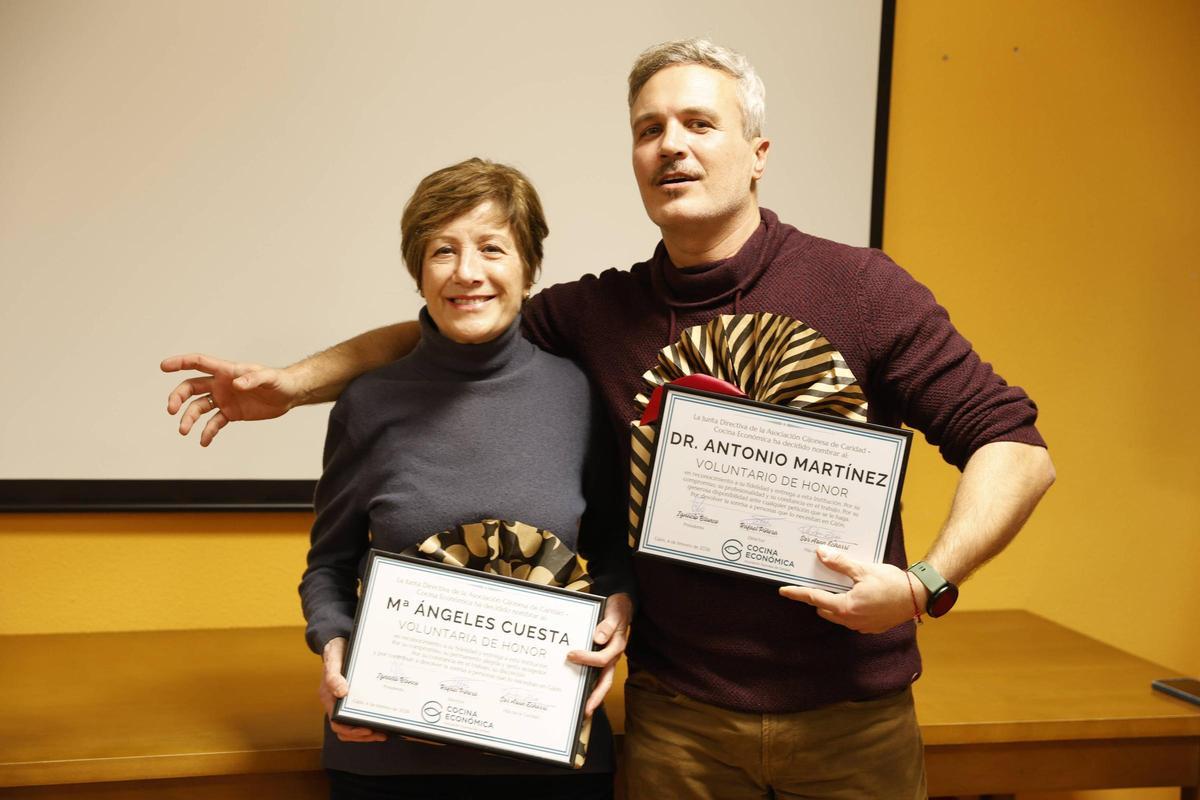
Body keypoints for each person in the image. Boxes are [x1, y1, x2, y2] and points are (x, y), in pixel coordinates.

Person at [164, 39, 1054, 800]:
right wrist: (293, 384)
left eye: (700, 124)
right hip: (675, 725)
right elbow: (457, 324)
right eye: (649, 129)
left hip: (854, 718)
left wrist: (926, 582)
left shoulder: (863, 290)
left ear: (757, 151)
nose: (672, 145)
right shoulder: (594, 319)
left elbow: (1014, 446)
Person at [292, 158, 632, 799]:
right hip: (385, 757)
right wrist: (333, 646)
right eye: (442, 251)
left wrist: (619, 612)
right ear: (418, 272)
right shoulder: (368, 403)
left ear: (529, 269)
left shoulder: (579, 395)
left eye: (491, 248)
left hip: (553, 755)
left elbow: (612, 548)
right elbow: (328, 567)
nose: (466, 272)